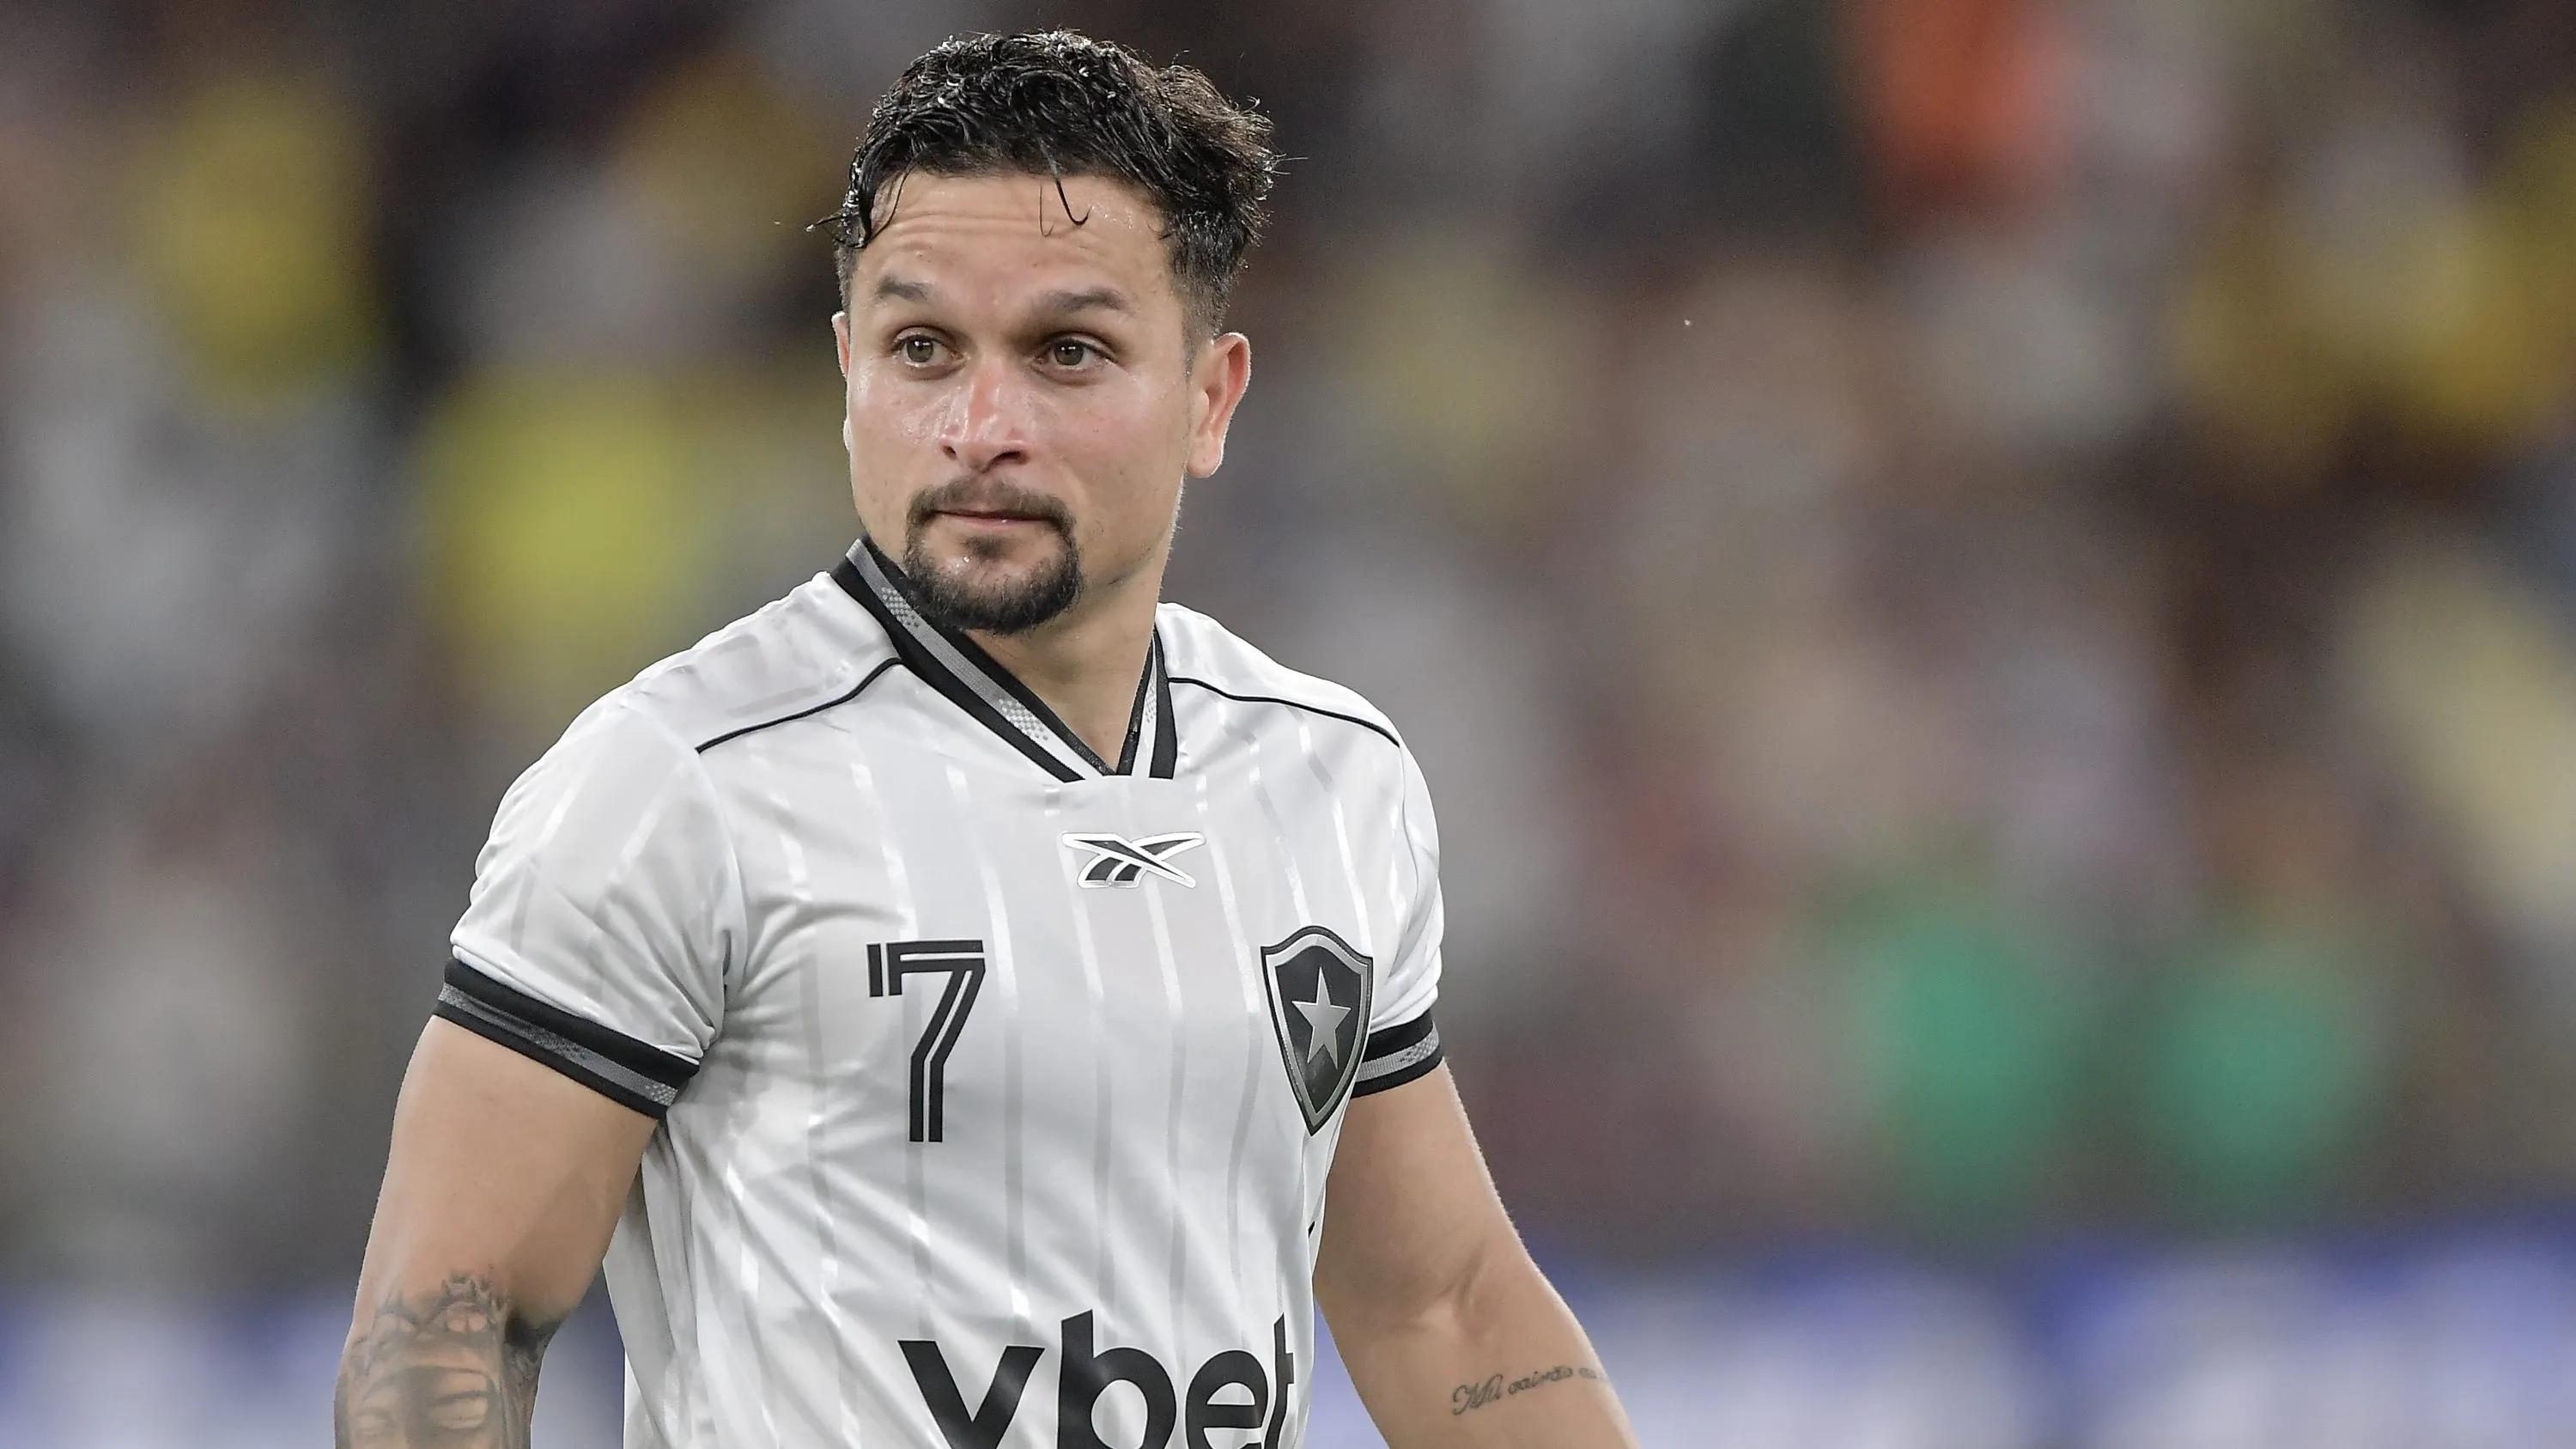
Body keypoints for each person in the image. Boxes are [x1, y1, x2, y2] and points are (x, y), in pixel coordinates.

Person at [337, 29, 1637, 1449]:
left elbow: (1442, 1305)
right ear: (848, 370)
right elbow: (447, 1320)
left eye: (1067, 352)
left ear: (1211, 396)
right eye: (922, 350)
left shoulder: (1331, 777)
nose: (981, 425)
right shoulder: (674, 784)